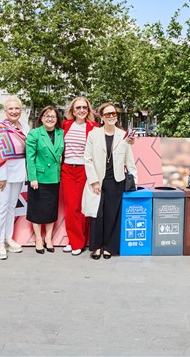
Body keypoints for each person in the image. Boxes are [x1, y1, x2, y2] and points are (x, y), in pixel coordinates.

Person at [83, 103, 137, 259]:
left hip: (117, 180)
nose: (112, 116)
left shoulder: (123, 135)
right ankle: (96, 246)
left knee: (112, 215)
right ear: (101, 117)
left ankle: (109, 247)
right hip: (98, 181)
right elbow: (88, 159)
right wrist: (93, 181)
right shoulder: (94, 134)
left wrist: (134, 179)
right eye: (107, 114)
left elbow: (129, 160)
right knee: (97, 215)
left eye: (113, 113)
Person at [0, 96, 29, 259]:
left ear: (21, 110)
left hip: (19, 171)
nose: (14, 111)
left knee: (12, 205)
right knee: (1, 206)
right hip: (4, 171)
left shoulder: (25, 126)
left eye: (17, 108)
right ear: (5, 111)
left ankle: (7, 238)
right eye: (10, 109)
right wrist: (2, 176)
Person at [60, 97, 99, 255]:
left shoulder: (93, 127)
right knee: (71, 207)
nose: (81, 110)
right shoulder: (66, 125)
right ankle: (73, 240)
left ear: (88, 110)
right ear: (73, 110)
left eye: (84, 107)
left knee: (82, 206)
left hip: (85, 170)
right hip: (68, 169)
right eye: (78, 108)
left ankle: (78, 242)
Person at [25, 106, 64, 254]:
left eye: (53, 117)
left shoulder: (61, 133)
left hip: (54, 177)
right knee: (37, 209)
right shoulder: (34, 134)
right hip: (39, 178)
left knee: (50, 210)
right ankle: (38, 239)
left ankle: (48, 238)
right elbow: (30, 158)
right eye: (47, 116)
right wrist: (32, 177)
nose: (50, 119)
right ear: (41, 118)